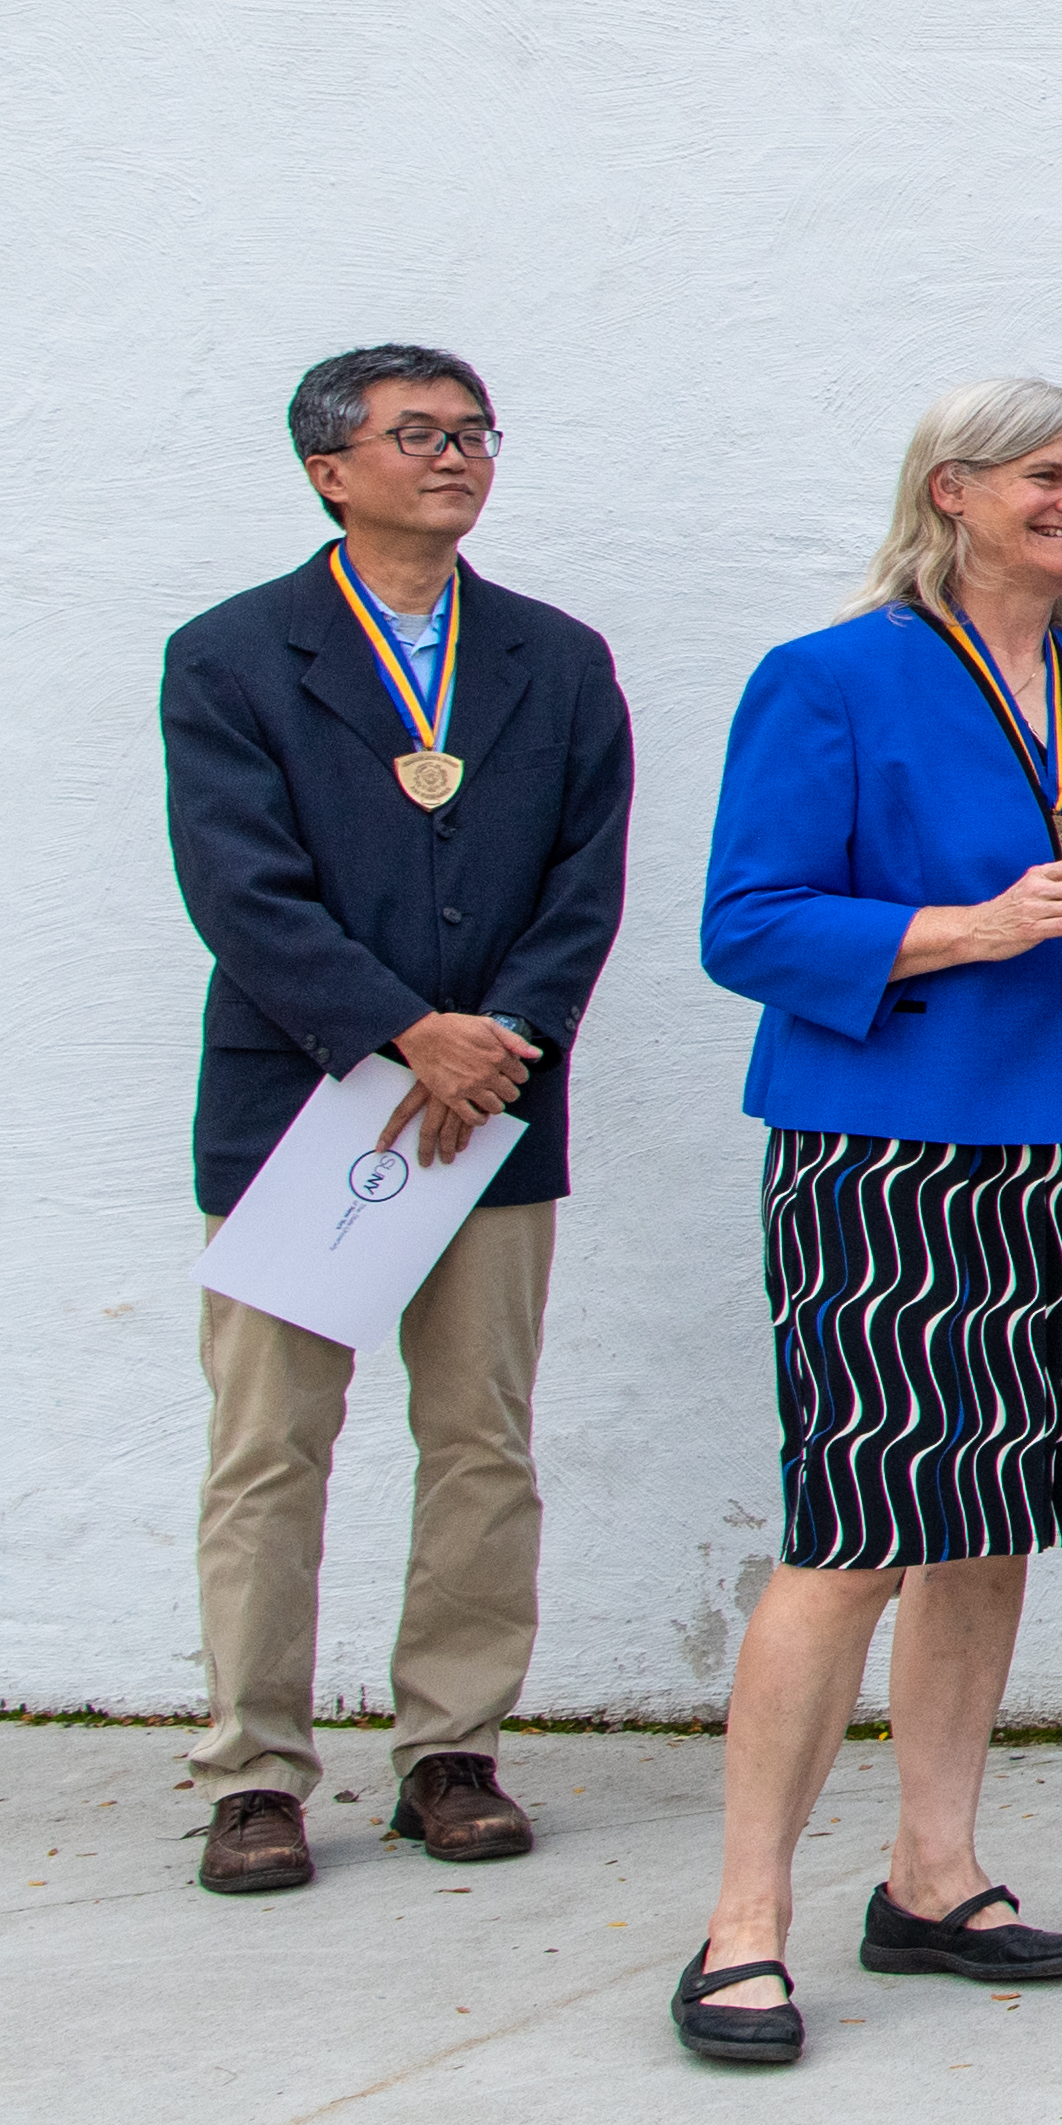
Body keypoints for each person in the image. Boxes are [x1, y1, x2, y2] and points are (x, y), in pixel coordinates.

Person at [673, 379, 1062, 2068]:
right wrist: (970, 931)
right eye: (1047, 474)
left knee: (996, 1521)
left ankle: (934, 1874)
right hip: (881, 1151)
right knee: (852, 1535)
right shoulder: (829, 680)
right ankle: (740, 1925)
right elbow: (746, 925)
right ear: (954, 492)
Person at [151, 347, 631, 1898]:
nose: (455, 458)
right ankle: (254, 1772)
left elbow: (583, 882)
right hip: (306, 1105)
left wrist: (496, 1045)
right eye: (417, 434)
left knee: (481, 1439)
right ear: (327, 468)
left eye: (474, 432)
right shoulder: (232, 657)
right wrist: (399, 1031)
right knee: (270, 1445)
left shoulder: (554, 660)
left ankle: (451, 1750)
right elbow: (240, 887)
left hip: (490, 1110)